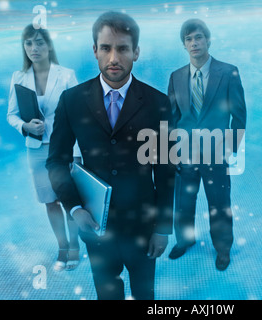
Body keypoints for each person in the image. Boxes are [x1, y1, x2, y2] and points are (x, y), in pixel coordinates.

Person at [46, 11, 175, 300]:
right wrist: (75, 208)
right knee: (107, 295)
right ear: (95, 51)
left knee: (145, 294)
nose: (113, 57)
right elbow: (56, 160)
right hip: (94, 225)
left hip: (143, 224)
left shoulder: (159, 104)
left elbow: (166, 170)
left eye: (123, 48)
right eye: (105, 48)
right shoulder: (72, 101)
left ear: (136, 52)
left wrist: (163, 228)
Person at [167, 19, 247, 271]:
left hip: (215, 154)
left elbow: (239, 115)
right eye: (189, 39)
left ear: (208, 40)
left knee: (219, 204)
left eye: (198, 37)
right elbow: (171, 118)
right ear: (184, 45)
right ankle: (184, 240)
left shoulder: (228, 72)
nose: (194, 42)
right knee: (183, 203)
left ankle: (223, 249)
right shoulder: (176, 77)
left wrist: (230, 149)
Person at [7, 24, 81, 272]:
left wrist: (78, 154)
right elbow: (12, 115)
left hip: (63, 148)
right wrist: (26, 126)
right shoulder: (18, 77)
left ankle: (74, 245)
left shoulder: (67, 75)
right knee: (50, 201)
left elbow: (80, 117)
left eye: (39, 42)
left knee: (69, 199)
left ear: (49, 45)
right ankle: (62, 246)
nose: (34, 48)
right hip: (36, 149)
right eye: (28, 43)